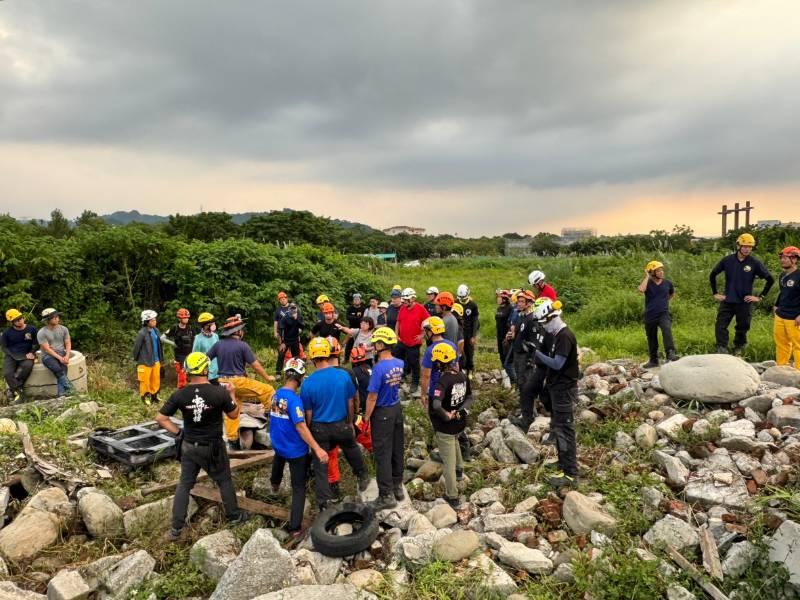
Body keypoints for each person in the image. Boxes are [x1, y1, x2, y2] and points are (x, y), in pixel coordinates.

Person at [156, 352, 250, 541]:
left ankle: (176, 529)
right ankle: (234, 516)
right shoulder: (219, 392)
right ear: (205, 369)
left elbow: (161, 418)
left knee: (184, 484)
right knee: (224, 480)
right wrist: (231, 394)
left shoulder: (180, 394)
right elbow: (233, 415)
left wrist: (179, 433)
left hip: (190, 446)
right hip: (213, 446)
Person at [301, 337, 369, 510]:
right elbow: (351, 402)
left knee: (321, 463)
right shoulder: (342, 375)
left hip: (319, 427)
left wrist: (310, 431)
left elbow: (308, 413)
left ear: (312, 357)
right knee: (351, 448)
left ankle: (324, 501)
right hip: (341, 424)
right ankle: (362, 475)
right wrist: (349, 422)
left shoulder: (308, 383)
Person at [269, 358, 329, 537]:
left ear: (286, 374)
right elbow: (301, 427)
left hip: (279, 444)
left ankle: (274, 484)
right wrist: (317, 449)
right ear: (300, 378)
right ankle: (295, 527)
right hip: (296, 451)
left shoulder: (276, 394)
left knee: (278, 459)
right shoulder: (295, 401)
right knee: (298, 487)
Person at [206, 315, 275, 449]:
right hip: (238, 381)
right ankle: (271, 425)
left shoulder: (218, 344)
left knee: (232, 409)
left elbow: (205, 360)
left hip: (223, 382)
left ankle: (233, 441)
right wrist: (267, 377)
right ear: (237, 331)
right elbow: (255, 365)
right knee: (268, 391)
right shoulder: (242, 345)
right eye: (241, 329)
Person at [532, 298, 579, 490]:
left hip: (564, 390)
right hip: (556, 388)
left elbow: (558, 363)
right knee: (558, 428)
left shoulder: (564, 336)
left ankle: (571, 474)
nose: (544, 327)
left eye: (544, 323)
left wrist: (538, 355)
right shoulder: (557, 334)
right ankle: (562, 464)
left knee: (565, 431)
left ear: (552, 318)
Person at [709, 233, 774, 355]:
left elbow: (770, 279)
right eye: (744, 246)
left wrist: (760, 297)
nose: (747, 249)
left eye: (750, 247)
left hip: (744, 302)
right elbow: (713, 274)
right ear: (738, 245)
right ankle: (721, 347)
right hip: (728, 300)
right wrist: (715, 293)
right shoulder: (727, 260)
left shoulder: (754, 262)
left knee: (743, 327)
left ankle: (738, 347)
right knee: (720, 325)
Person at [364, 327, 405, 510]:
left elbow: (372, 397)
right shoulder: (399, 363)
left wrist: (366, 417)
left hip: (382, 412)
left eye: (375, 343)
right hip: (396, 408)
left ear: (381, 345)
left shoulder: (379, 368)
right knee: (397, 447)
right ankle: (397, 486)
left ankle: (385, 495)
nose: (373, 346)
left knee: (382, 453)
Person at [429, 343, 473, 508]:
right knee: (455, 442)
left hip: (445, 426)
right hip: (459, 423)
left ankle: (452, 495)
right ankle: (459, 471)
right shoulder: (461, 375)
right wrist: (460, 411)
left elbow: (436, 405)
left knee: (447, 460)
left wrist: (447, 415)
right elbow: (470, 397)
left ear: (440, 362)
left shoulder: (443, 381)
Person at [508, 291, 546, 431]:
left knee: (526, 386)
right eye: (518, 301)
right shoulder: (521, 317)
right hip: (519, 355)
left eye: (522, 301)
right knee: (521, 384)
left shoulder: (531, 319)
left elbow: (535, 342)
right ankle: (526, 412)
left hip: (526, 357)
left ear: (529, 303)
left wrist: (531, 359)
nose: (519, 303)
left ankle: (528, 417)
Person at [638, 261, 678, 368]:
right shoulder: (648, 283)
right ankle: (653, 360)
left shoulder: (668, 283)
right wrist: (647, 276)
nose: (661, 272)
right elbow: (641, 290)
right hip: (650, 314)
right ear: (652, 272)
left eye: (662, 270)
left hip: (663, 313)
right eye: (658, 271)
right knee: (651, 337)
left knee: (667, 329)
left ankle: (670, 353)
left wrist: (663, 302)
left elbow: (671, 294)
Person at [394, 288, 429, 396]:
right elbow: (398, 322)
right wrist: (396, 334)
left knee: (414, 363)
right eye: (403, 299)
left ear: (413, 298)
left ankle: (415, 382)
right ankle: (401, 376)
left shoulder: (421, 309)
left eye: (406, 299)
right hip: (402, 340)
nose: (404, 302)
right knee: (397, 357)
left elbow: (429, 322)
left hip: (414, 343)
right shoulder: (403, 308)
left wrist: (422, 335)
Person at [419, 316, 459, 410]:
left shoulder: (430, 350)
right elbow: (456, 366)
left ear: (431, 331)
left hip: (436, 390)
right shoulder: (452, 345)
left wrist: (423, 394)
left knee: (437, 417)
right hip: (451, 387)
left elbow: (426, 376)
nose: (424, 334)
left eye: (425, 331)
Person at [1, 309, 37, 404]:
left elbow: (36, 343)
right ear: (12, 322)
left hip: (26, 355)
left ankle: (12, 389)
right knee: (7, 373)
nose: (20, 321)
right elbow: (4, 347)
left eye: (21, 318)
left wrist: (32, 352)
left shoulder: (31, 329)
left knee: (27, 366)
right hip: (12, 356)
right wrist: (13, 355)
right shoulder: (7, 333)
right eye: (17, 320)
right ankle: (20, 393)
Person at [37, 308, 74, 397]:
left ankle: (61, 395)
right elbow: (47, 349)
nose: (57, 318)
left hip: (61, 353)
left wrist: (67, 356)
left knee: (62, 371)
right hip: (47, 356)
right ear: (48, 320)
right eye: (54, 317)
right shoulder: (41, 332)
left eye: (57, 316)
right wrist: (60, 358)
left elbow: (68, 343)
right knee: (58, 370)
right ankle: (72, 390)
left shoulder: (64, 329)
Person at [774, 246, 800, 366]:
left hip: (794, 318)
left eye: (785, 258)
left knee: (798, 345)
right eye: (782, 257)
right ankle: (781, 368)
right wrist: (776, 306)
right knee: (781, 343)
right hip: (780, 315)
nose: (782, 260)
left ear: (794, 259)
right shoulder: (782, 276)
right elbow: (783, 292)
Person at [132, 309, 163, 406]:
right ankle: (145, 397)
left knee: (156, 379)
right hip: (145, 361)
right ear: (146, 321)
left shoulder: (156, 330)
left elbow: (159, 345)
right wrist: (137, 360)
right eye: (152, 320)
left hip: (156, 360)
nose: (155, 321)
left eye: (155, 319)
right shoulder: (142, 333)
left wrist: (161, 358)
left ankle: (155, 396)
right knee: (145, 381)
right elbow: (136, 348)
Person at [162, 308, 196, 389]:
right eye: (184, 318)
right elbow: (162, 338)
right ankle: (181, 388)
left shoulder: (190, 328)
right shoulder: (175, 328)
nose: (186, 319)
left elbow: (196, 339)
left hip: (190, 354)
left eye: (187, 317)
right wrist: (173, 343)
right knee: (181, 373)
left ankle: (191, 388)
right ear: (179, 318)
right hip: (179, 355)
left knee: (191, 372)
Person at [456, 284, 480, 379]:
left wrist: (473, 336)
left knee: (469, 352)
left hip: (469, 332)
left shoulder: (473, 305)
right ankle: (462, 368)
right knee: (459, 351)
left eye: (464, 298)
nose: (462, 300)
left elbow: (475, 321)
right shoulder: (456, 303)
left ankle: (470, 369)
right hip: (459, 332)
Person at [191, 312, 219, 383]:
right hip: (205, 372)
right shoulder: (198, 339)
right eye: (211, 324)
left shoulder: (216, 336)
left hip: (217, 371)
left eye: (213, 323)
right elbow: (195, 356)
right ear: (205, 325)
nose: (213, 325)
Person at [494, 290, 513, 387]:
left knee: (507, 358)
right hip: (499, 336)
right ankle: (505, 375)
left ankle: (510, 379)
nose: (497, 299)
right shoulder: (498, 309)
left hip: (506, 337)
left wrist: (508, 336)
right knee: (501, 356)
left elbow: (511, 323)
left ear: (504, 299)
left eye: (499, 297)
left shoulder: (510, 308)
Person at [278, 303, 305, 369]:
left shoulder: (299, 316)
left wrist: (296, 319)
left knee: (296, 357)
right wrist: (282, 342)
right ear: (289, 309)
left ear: (296, 308)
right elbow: (281, 330)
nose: (293, 310)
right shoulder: (285, 317)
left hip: (295, 339)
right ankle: (278, 372)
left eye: (294, 308)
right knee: (281, 354)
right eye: (291, 308)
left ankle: (296, 370)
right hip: (286, 340)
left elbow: (302, 326)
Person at [273, 292, 294, 376]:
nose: (283, 300)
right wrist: (275, 332)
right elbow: (275, 322)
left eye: (284, 298)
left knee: (294, 354)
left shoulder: (292, 307)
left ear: (287, 298)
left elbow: (297, 318)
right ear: (279, 300)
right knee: (281, 353)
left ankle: (294, 371)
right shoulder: (278, 310)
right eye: (281, 299)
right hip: (282, 335)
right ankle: (278, 372)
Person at [344, 293, 366, 363]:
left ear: (360, 300)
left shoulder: (363, 308)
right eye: (355, 299)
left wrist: (354, 318)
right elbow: (347, 317)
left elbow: (364, 318)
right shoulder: (350, 308)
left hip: (360, 329)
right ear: (353, 301)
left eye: (358, 299)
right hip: (351, 329)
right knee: (349, 345)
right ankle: (346, 359)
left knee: (360, 344)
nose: (356, 301)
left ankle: (360, 357)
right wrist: (358, 318)